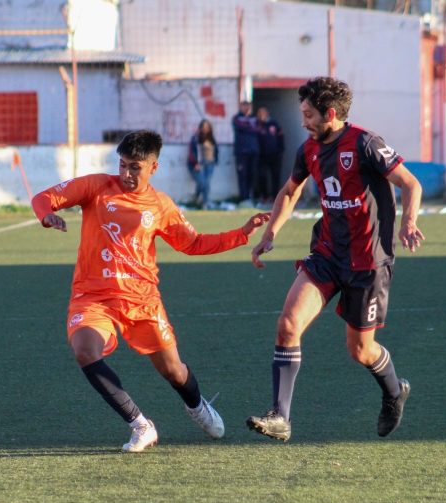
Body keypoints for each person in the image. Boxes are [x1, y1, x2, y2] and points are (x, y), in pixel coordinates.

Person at [31, 130, 269, 452]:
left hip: (142, 299)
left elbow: (193, 243)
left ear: (153, 167)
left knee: (173, 370)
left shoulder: (160, 206)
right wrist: (47, 215)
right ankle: (140, 425)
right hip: (93, 295)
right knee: (85, 350)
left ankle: (197, 405)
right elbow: (43, 197)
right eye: (123, 165)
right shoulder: (96, 186)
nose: (126, 174)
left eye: (135, 168)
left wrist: (241, 234)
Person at [245, 77, 425, 441]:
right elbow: (290, 191)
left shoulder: (365, 143)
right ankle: (280, 416)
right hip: (327, 254)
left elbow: (410, 183)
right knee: (288, 325)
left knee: (360, 350)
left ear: (330, 114)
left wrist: (408, 222)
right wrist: (270, 234)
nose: (303, 122)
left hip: (368, 262)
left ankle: (394, 390)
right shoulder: (308, 150)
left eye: (309, 114)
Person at [232, 100, 260, 207]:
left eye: (248, 106)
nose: (246, 108)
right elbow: (241, 127)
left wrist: (249, 126)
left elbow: (258, 129)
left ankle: (251, 197)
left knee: (252, 175)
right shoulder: (237, 118)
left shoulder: (254, 118)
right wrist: (251, 126)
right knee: (243, 175)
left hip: (254, 151)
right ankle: (243, 198)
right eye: (244, 106)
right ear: (240, 107)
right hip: (241, 152)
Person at [186, 119, 219, 209]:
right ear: (200, 128)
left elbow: (215, 150)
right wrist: (196, 163)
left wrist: (215, 160)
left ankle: (204, 202)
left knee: (206, 183)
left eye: (207, 127)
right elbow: (193, 152)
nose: (205, 129)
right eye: (203, 127)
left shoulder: (211, 138)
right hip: (199, 164)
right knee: (202, 183)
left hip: (210, 164)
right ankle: (199, 199)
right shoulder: (196, 138)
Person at [256, 106, 285, 205]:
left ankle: (275, 197)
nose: (261, 115)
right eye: (259, 113)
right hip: (262, 156)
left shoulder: (274, 124)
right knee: (262, 176)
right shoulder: (257, 125)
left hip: (275, 155)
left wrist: (280, 151)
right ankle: (264, 196)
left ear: (267, 113)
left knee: (275, 176)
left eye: (263, 113)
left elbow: (281, 137)